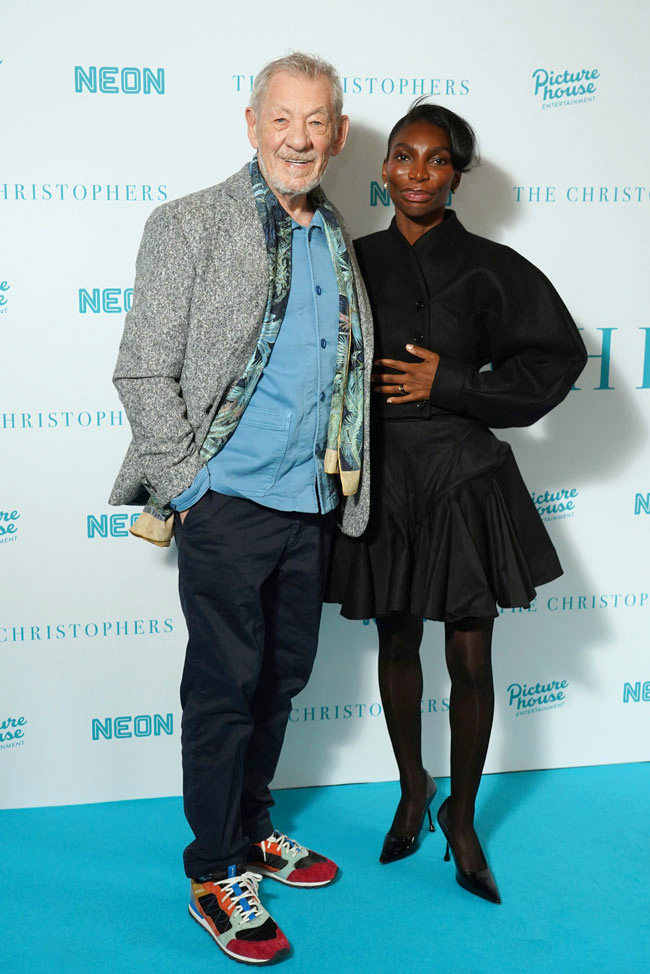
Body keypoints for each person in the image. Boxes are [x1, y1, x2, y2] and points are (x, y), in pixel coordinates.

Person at [109, 52, 372, 964]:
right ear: (253, 122)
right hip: (227, 507)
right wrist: (191, 489)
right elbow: (143, 369)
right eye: (282, 119)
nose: (299, 139)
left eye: (317, 123)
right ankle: (215, 870)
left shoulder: (334, 233)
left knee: (281, 680)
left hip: (307, 507)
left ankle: (254, 827)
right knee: (224, 692)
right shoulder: (189, 224)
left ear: (338, 135)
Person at [327, 100, 587, 905]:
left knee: (471, 659)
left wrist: (456, 384)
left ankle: (463, 818)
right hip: (383, 484)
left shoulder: (492, 268)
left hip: (465, 485)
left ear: (458, 174)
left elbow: (557, 358)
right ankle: (413, 789)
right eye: (403, 156)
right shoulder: (351, 260)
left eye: (436, 160)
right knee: (397, 643)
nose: (417, 172)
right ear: (382, 168)